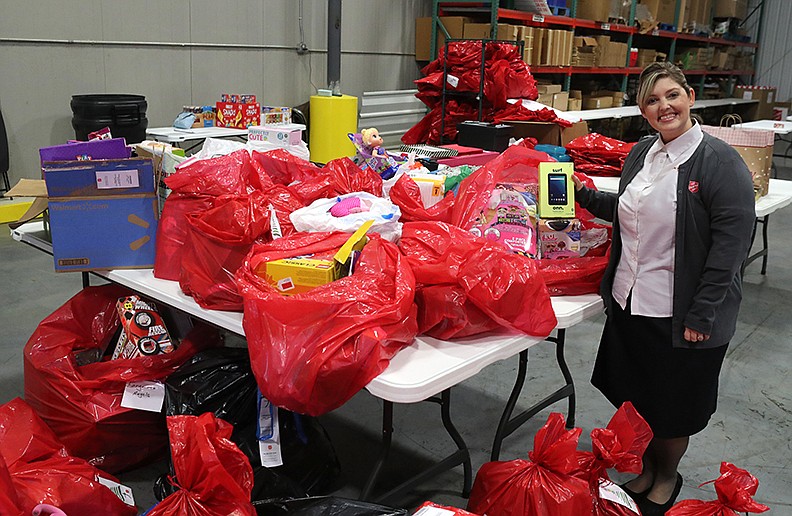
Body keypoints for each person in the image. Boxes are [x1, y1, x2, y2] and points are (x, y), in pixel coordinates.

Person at [572, 62, 756, 515]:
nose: (664, 106)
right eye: (652, 100)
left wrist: (703, 313)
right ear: (643, 110)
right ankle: (648, 468)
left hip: (682, 314)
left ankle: (666, 475)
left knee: (674, 407)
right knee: (643, 398)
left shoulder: (719, 162)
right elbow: (631, 209)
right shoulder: (643, 153)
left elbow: (731, 247)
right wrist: (584, 194)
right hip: (633, 303)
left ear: (690, 96)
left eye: (671, 95)